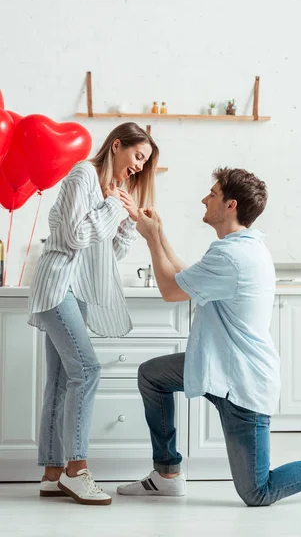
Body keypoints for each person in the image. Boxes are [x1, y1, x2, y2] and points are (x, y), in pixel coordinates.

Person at [117, 167, 301, 505]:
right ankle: (167, 473)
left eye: (212, 194)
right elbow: (185, 277)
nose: (204, 199)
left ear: (230, 205)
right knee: (152, 375)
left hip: (243, 382)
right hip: (215, 367)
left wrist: (151, 237)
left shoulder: (232, 256)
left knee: (258, 492)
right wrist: (159, 233)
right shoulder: (236, 248)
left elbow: (169, 290)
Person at [28, 122, 159, 506]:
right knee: (87, 370)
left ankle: (52, 474)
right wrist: (110, 206)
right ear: (116, 146)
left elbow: (106, 256)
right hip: (57, 287)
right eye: (137, 155)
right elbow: (73, 238)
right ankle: (77, 470)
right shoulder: (83, 175)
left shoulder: (107, 191)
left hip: (76, 290)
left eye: (144, 161)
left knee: (61, 379)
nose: (138, 166)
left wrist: (127, 221)